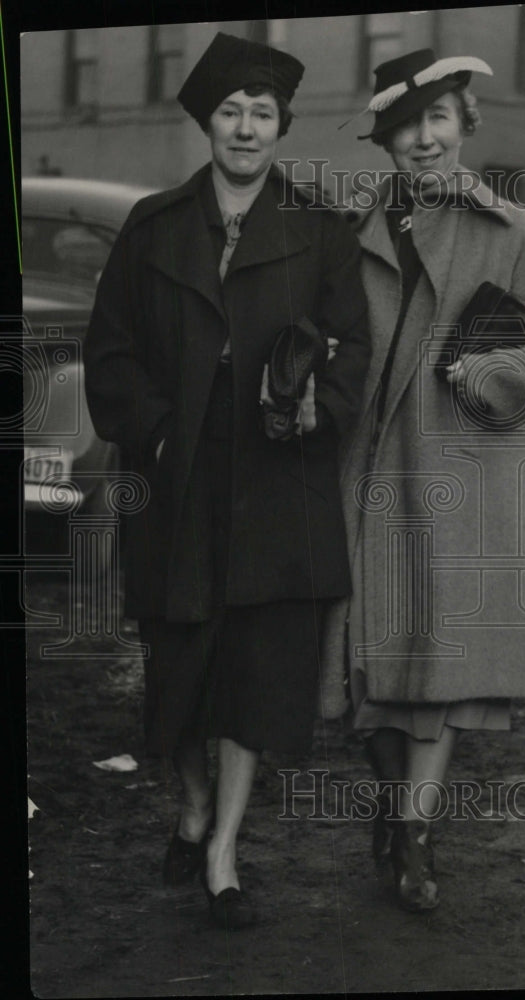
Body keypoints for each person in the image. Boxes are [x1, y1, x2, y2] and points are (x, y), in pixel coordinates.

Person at [83, 31, 369, 929]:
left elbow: (351, 345)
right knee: (182, 664)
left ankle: (222, 850)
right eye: (231, 112)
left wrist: (319, 401)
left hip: (278, 489)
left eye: (263, 113)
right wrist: (160, 436)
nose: (246, 128)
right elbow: (111, 351)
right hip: (181, 487)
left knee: (258, 668)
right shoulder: (153, 227)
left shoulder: (320, 231)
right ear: (207, 121)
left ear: (282, 127)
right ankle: (194, 801)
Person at [320, 48, 525, 912]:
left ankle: (415, 837)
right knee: (370, 673)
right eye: (404, 126)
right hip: (363, 474)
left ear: (465, 124)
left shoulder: (514, 232)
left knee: (445, 670)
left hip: (459, 471)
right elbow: (319, 338)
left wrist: (492, 376)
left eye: (438, 120)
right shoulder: (348, 227)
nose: (423, 140)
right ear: (385, 140)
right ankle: (395, 816)